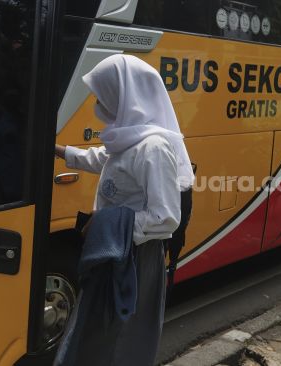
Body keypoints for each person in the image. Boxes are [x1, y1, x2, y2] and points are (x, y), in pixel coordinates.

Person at [54, 54, 194, 365]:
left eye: (103, 95)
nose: (98, 103)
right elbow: (102, 159)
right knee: (98, 334)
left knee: (119, 339)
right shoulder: (130, 139)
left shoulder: (153, 148)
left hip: (134, 258)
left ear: (126, 96)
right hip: (114, 250)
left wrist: (105, 224)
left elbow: (166, 218)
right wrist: (57, 150)